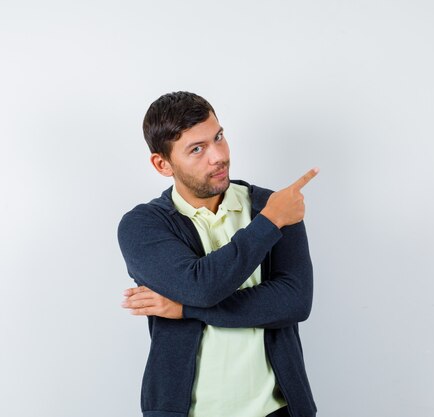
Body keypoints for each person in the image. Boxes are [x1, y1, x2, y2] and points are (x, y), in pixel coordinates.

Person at [117, 91, 318, 417]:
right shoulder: (142, 226)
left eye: (219, 137)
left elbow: (294, 301)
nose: (218, 156)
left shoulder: (273, 205)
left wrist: (184, 309)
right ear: (162, 164)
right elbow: (201, 286)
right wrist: (270, 223)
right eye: (197, 149)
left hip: (277, 410)